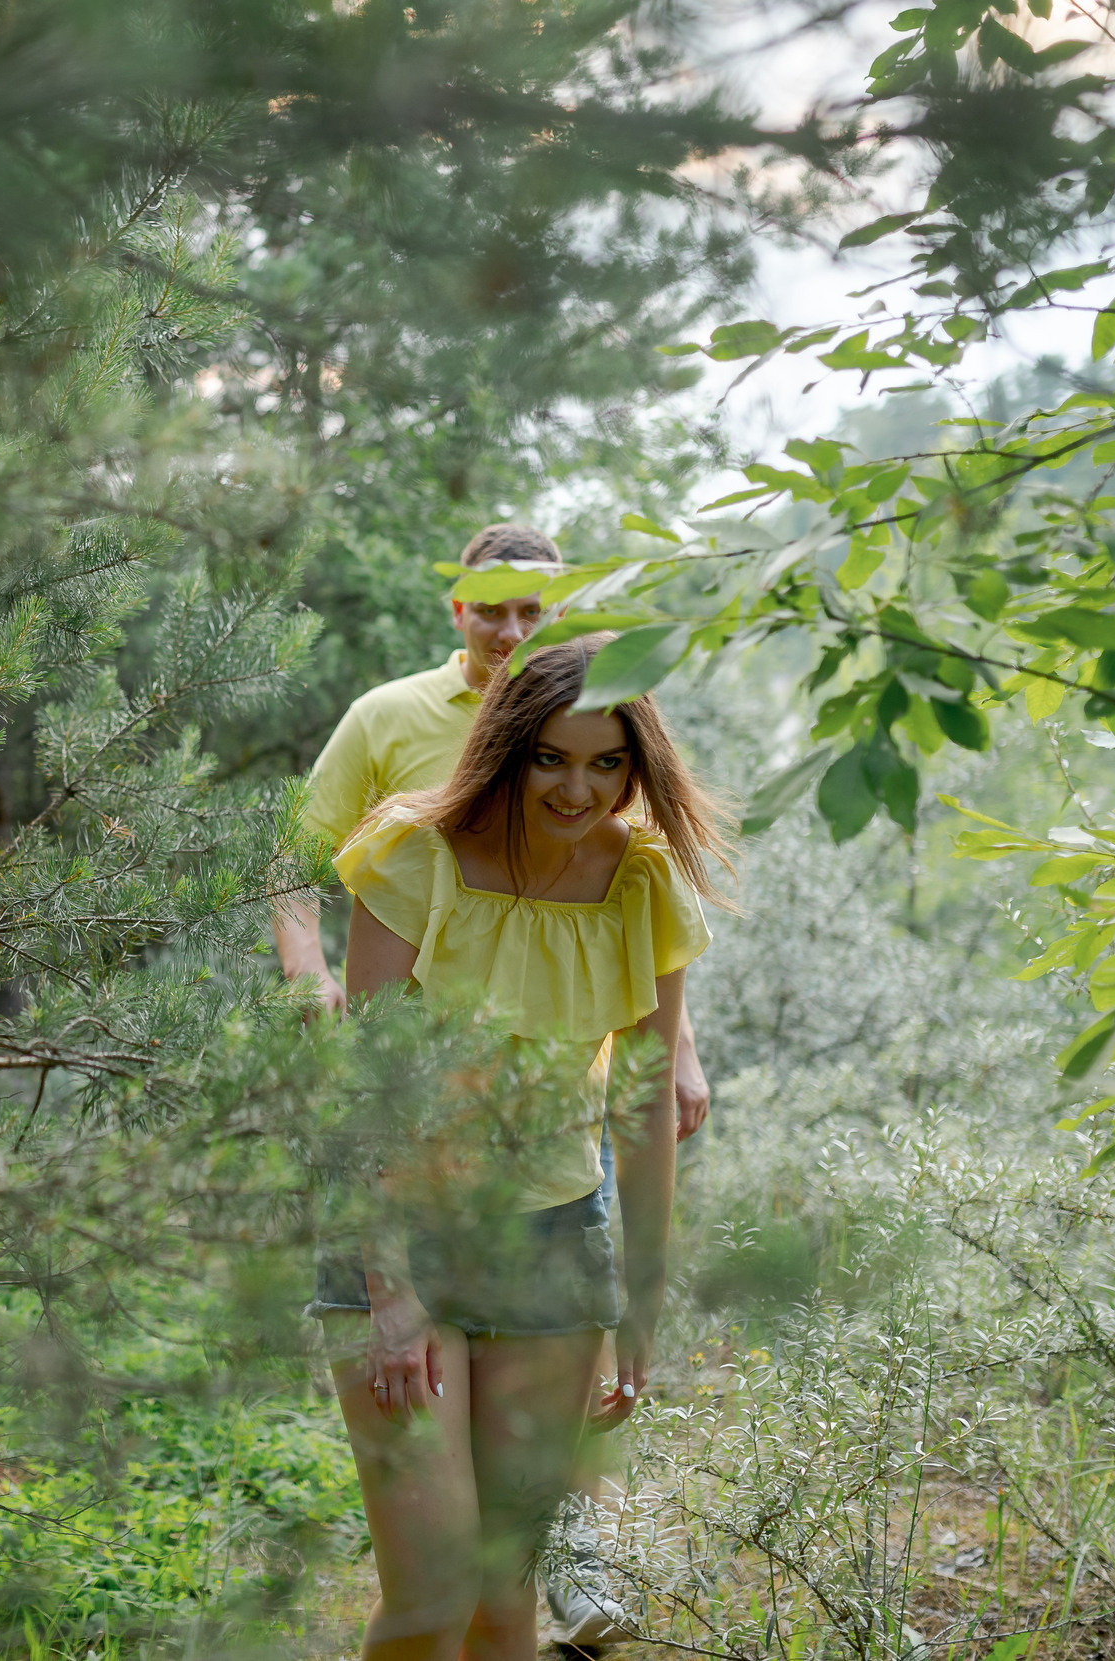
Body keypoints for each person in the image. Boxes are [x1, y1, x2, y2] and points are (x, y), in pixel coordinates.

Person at [312, 634, 733, 1661]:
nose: (577, 789)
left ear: (636, 765)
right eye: (550, 757)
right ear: (507, 746)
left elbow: (641, 1106)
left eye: (606, 763)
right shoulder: (414, 852)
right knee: (432, 1591)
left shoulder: (644, 883)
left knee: (504, 1599)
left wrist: (641, 1302)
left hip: (553, 1241)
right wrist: (391, 1291)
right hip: (403, 1231)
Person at [274, 523, 712, 1145]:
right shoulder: (383, 716)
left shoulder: (596, 729)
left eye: (532, 612)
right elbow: (296, 856)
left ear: (561, 616)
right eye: (490, 612)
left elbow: (632, 912)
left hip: (569, 1087)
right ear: (458, 612)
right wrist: (308, 971)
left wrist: (679, 1048)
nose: (512, 633)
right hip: (426, 1085)